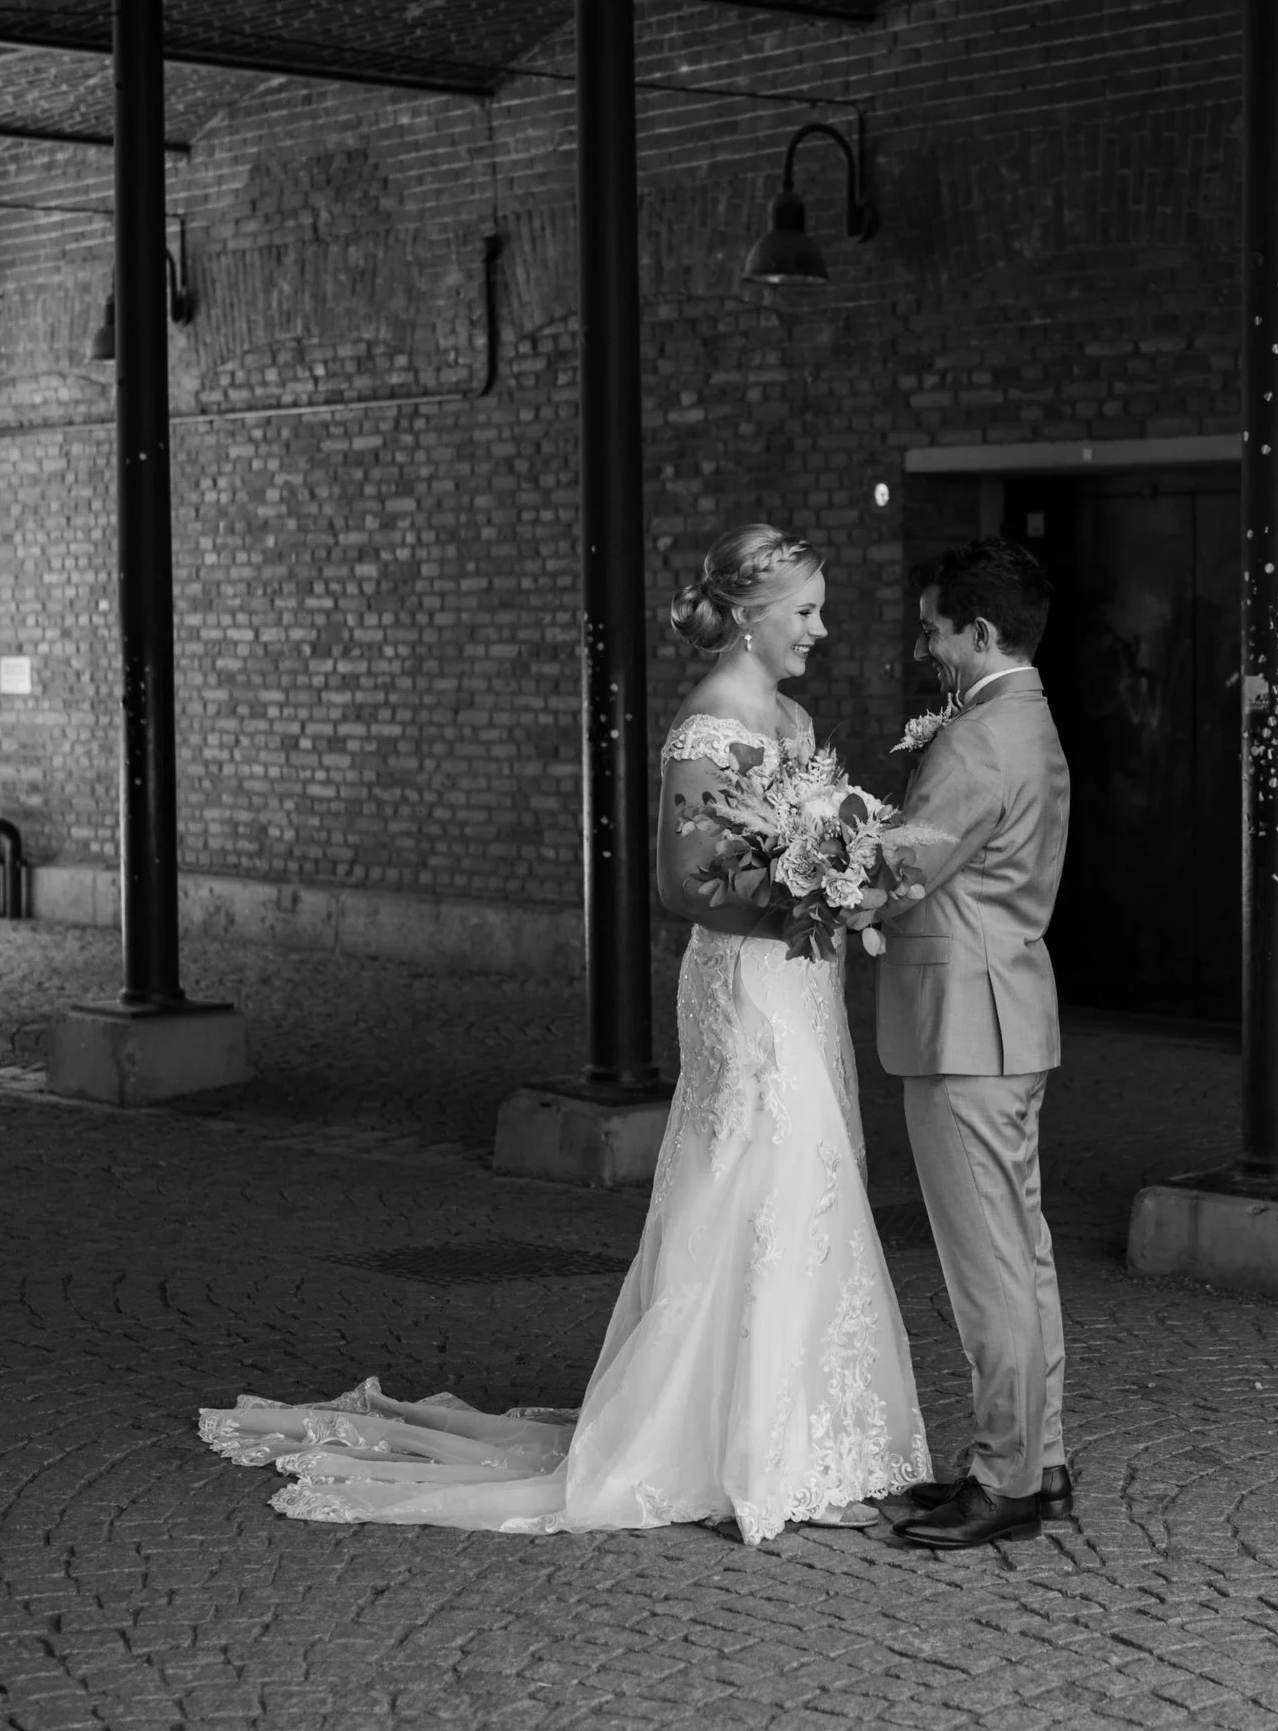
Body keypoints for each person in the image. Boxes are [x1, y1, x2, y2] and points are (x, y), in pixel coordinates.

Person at [197, 524, 931, 1543]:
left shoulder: (796, 719)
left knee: (808, 1179)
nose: (820, 627)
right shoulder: (707, 725)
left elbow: (795, 844)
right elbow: (683, 882)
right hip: (744, 992)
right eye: (804, 610)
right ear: (753, 615)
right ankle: (742, 1451)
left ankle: (808, 1440)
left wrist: (835, 885)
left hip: (801, 983)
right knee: (755, 1179)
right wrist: (810, 889)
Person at [871, 537, 1073, 1552]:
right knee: (1021, 1256)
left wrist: (808, 867)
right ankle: (1040, 1460)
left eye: (934, 626)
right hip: (1008, 1015)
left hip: (964, 1031)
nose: (926, 645)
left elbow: (901, 877)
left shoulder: (976, 740)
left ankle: (1004, 1478)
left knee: (987, 1268)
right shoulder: (1024, 722)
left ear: (981, 632)